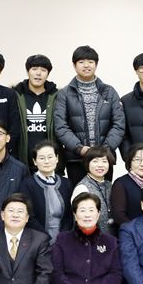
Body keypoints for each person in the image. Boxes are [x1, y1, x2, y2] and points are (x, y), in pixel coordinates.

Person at [53, 45, 125, 182]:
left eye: (90, 62)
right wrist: (80, 148)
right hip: (76, 158)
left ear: (96, 64)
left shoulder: (109, 92)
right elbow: (60, 126)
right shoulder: (64, 94)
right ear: (74, 65)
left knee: (104, 193)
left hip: (104, 158)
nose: (86, 65)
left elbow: (119, 124)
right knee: (79, 194)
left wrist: (104, 150)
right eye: (81, 62)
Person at [13, 54, 60, 171]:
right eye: (34, 69)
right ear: (28, 71)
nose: (38, 73)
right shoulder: (15, 95)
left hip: (49, 161)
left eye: (43, 70)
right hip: (21, 159)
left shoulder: (57, 96)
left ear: (48, 74)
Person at [18, 140, 73, 239]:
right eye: (42, 158)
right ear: (35, 161)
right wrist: (45, 238)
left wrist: (63, 236)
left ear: (57, 158)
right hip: (37, 238)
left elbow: (70, 215)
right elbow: (29, 216)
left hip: (63, 238)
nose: (47, 161)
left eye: (50, 157)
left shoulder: (66, 183)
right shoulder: (27, 184)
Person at [70, 146, 115, 235]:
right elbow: (80, 221)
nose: (100, 165)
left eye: (104, 161)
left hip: (111, 238)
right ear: (87, 163)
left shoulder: (109, 185)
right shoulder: (82, 188)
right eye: (95, 161)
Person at [110, 142, 143, 227]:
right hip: (131, 232)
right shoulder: (121, 183)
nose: (142, 164)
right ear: (130, 162)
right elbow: (119, 216)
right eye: (137, 160)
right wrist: (138, 230)